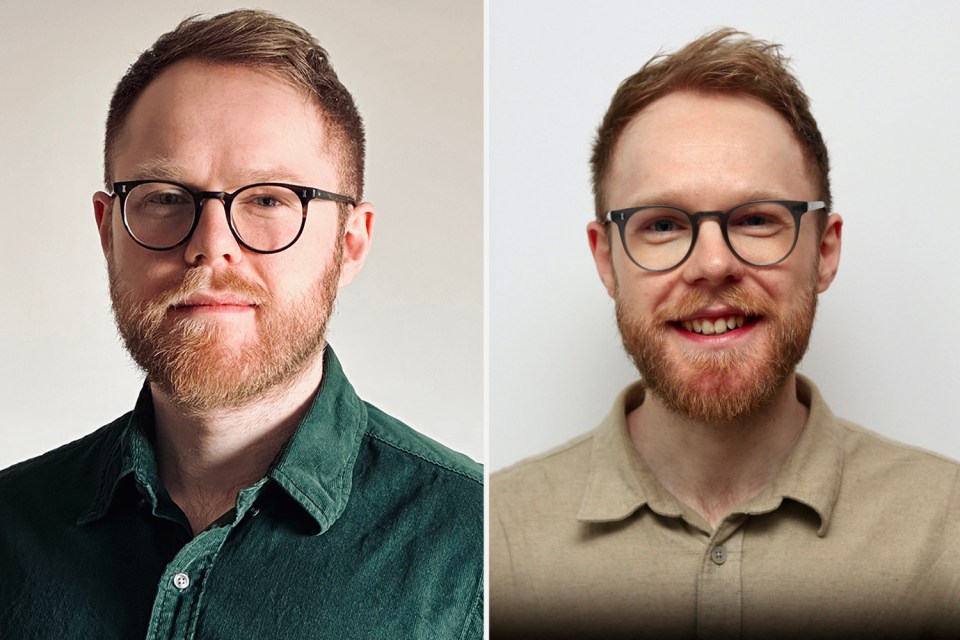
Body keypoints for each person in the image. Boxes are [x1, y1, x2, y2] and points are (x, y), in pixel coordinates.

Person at [0, 10, 482, 638]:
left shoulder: (479, 555)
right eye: (166, 198)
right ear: (107, 231)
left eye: (268, 199)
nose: (210, 246)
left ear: (351, 242)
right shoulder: (10, 526)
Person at [490, 28, 960, 639]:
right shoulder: (493, 535)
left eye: (758, 218)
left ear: (826, 251)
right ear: (607, 260)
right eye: (661, 224)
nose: (712, 264)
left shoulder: (947, 529)